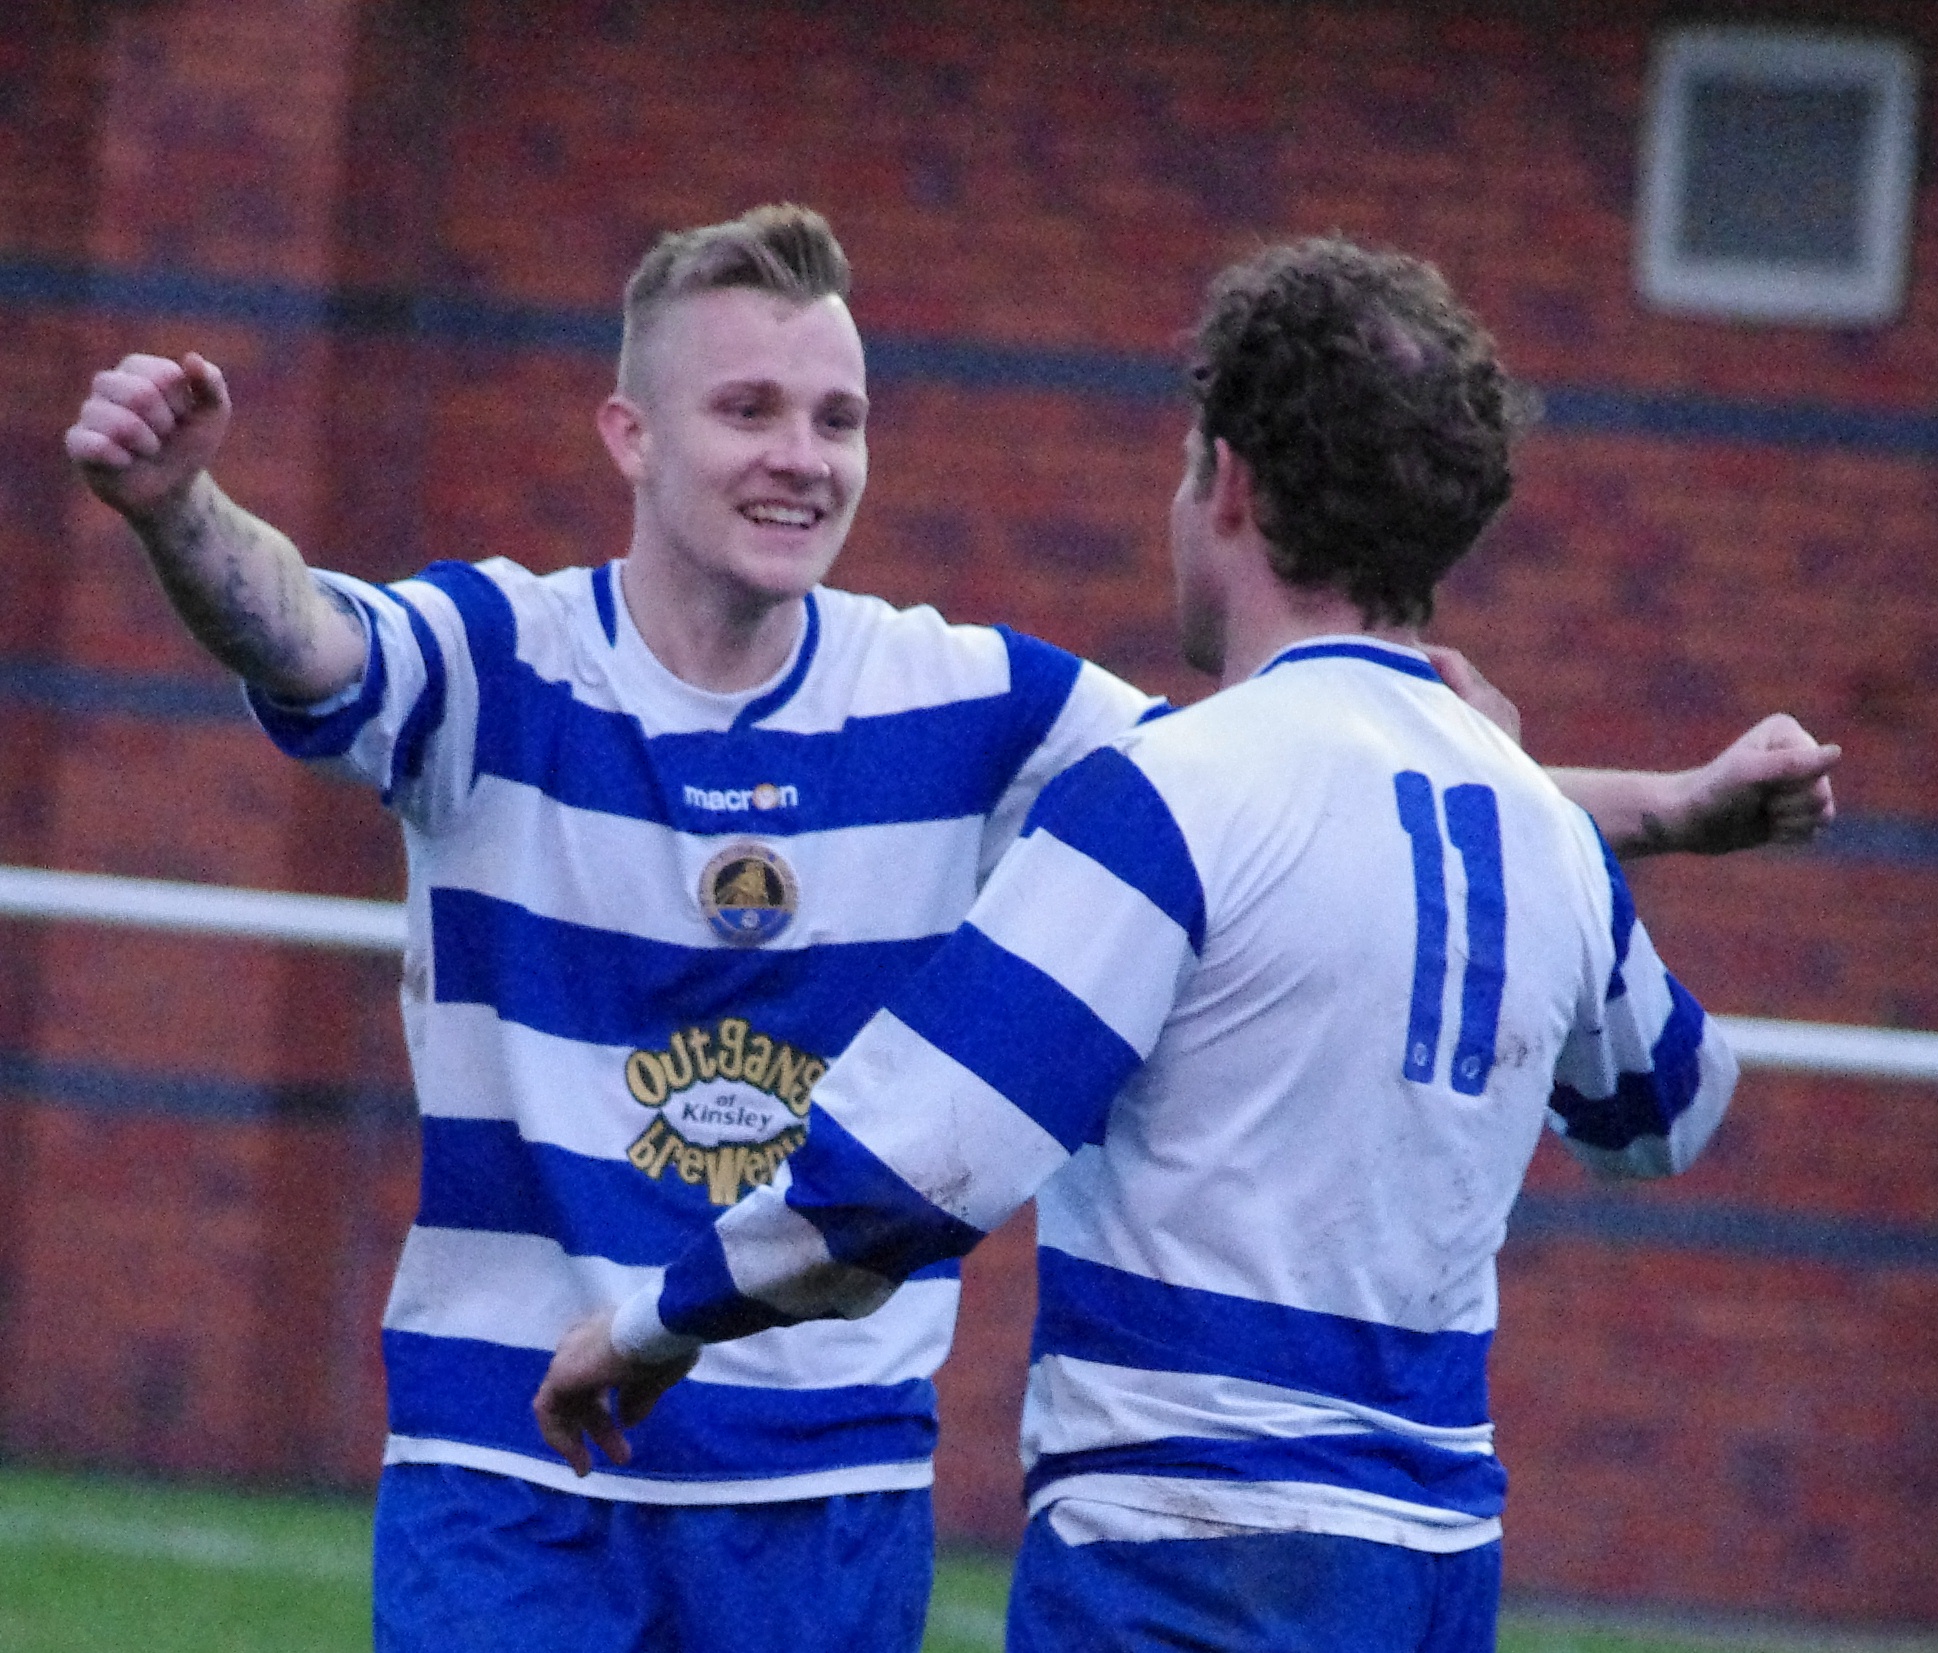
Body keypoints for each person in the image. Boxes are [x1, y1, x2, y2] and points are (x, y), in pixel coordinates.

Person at [67, 207, 1833, 1653]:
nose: (802, 455)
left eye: (836, 417)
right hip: (513, 1459)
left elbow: (1303, 791)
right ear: (628, 432)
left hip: (825, 1489)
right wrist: (181, 510)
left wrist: (1664, 805)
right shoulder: (500, 657)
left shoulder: (972, 695)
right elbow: (302, 634)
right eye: (747, 408)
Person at [533, 236, 1758, 1653]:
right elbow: (1665, 1107)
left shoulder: (1171, 794)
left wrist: (647, 1329)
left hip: (1188, 1560)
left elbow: (899, 1175)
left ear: (1227, 481)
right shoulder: (1533, 820)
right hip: (1435, 1568)